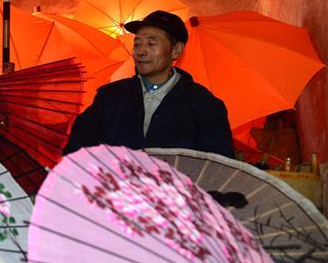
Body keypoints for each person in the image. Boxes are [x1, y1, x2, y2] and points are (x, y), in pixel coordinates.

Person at [64, 10, 234, 157]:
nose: (141, 51)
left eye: (151, 44)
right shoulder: (110, 97)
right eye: (137, 43)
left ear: (176, 50)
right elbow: (77, 152)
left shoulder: (203, 104)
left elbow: (217, 167)